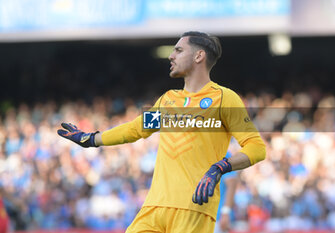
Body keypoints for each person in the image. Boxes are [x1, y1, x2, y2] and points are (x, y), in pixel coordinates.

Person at [58, 31, 266, 233]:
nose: (171, 55)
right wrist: (91, 139)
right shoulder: (168, 101)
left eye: (178, 50)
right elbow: (135, 129)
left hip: (193, 206)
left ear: (198, 56)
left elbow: (257, 148)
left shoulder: (224, 99)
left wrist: (220, 167)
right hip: (154, 206)